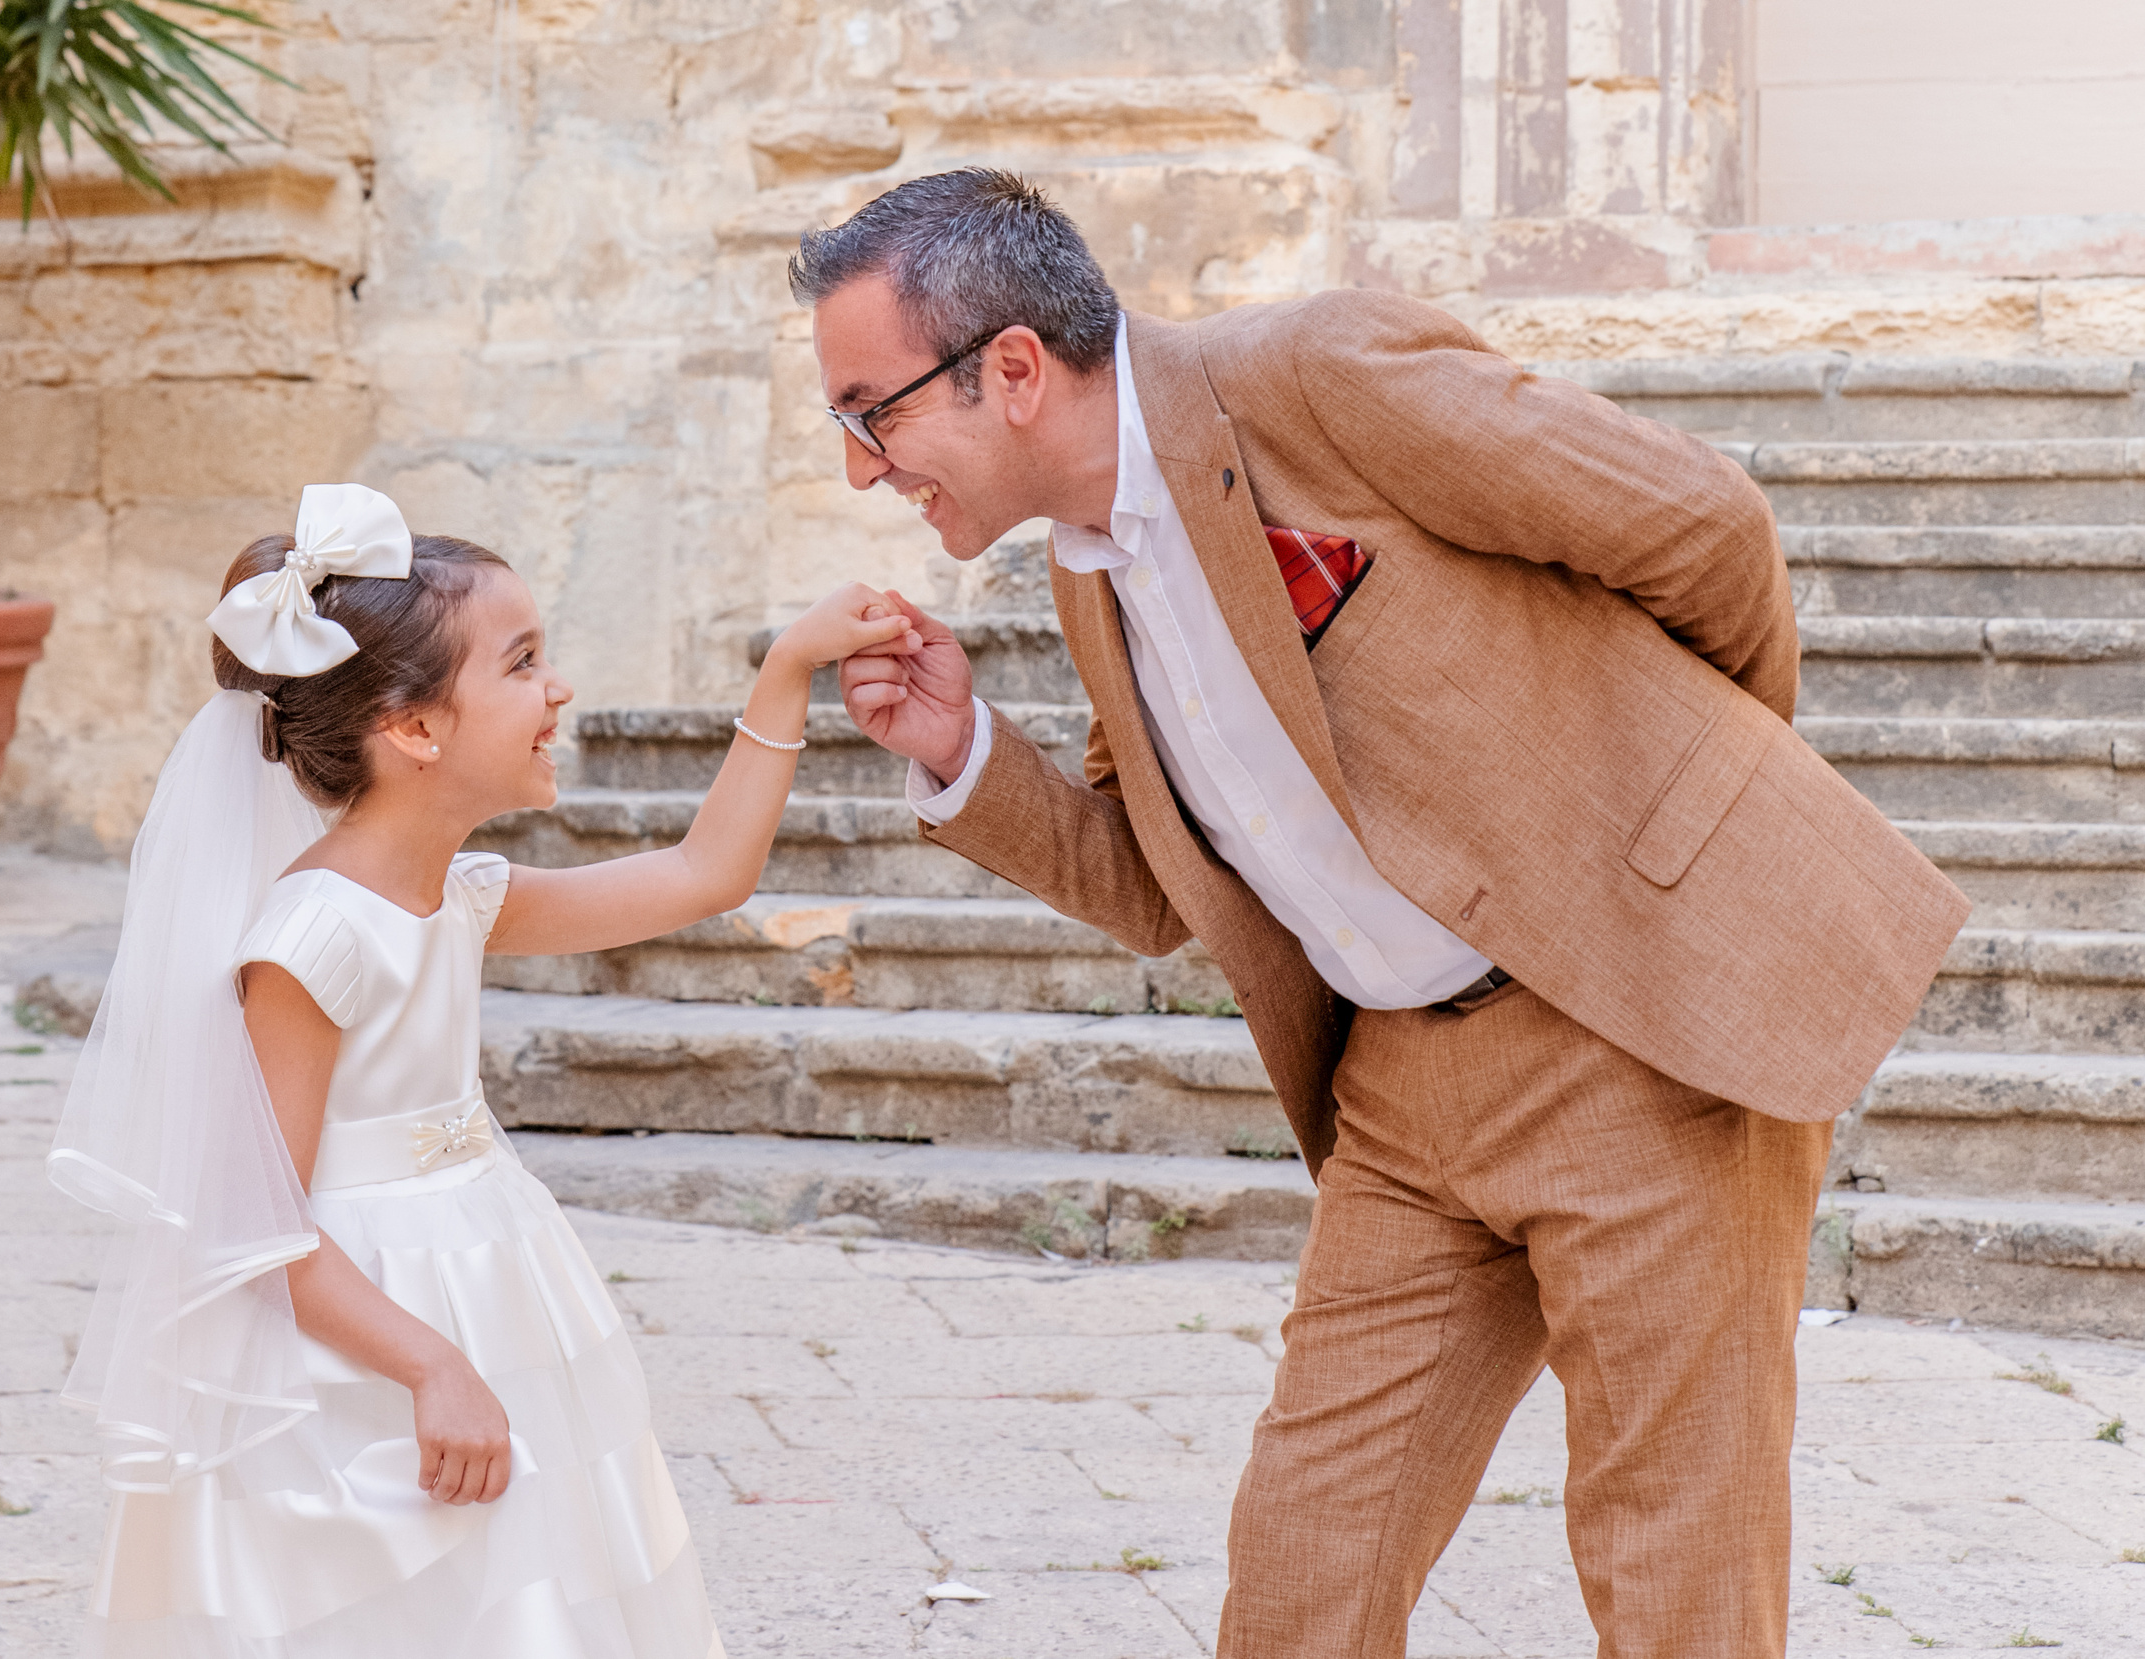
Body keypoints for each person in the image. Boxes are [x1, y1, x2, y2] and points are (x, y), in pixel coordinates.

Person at [795, 171, 1970, 1657]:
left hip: (1631, 1036)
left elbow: (1704, 527)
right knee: (1304, 1566)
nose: (860, 469)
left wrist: (1677, 833)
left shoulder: (1318, 376)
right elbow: (1168, 887)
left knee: (1678, 1567)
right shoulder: (1089, 575)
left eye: (868, 414)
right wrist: (965, 752)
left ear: (1012, 369)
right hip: (1404, 1098)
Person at [48, 483, 915, 1657]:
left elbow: (705, 874)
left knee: (524, 1603)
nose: (556, 688)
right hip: (365, 1336)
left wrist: (789, 671)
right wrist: (431, 1364)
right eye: (520, 664)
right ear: (414, 728)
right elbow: (247, 1222)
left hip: (494, 1276)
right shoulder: (315, 937)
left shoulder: (455, 893)